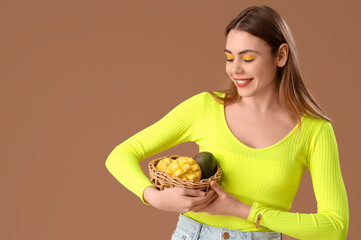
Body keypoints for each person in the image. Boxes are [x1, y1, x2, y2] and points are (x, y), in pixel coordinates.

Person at [105, 5, 349, 240]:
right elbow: (120, 154)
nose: (235, 70)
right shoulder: (205, 107)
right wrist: (154, 197)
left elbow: (335, 228)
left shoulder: (315, 131)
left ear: (281, 56)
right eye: (230, 58)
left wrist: (244, 211)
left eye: (248, 58)